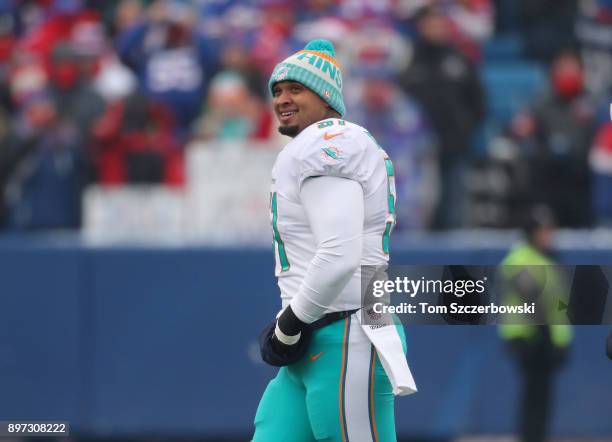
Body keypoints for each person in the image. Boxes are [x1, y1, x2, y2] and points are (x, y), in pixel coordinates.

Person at [254, 39, 416, 441]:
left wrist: (287, 325)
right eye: (277, 90)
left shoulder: (328, 143)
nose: (282, 99)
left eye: (295, 89)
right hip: (323, 333)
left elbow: (340, 255)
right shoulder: (320, 144)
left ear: (326, 97)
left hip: (347, 329)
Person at [397, 5, 485, 229]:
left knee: (454, 213)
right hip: (417, 154)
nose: (436, 28)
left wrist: (463, 129)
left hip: (453, 149)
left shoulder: (460, 60)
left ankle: (455, 265)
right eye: (430, 23)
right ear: (420, 27)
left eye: (440, 23)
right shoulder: (409, 62)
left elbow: (479, 103)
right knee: (419, 215)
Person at [498, 206, 572, 442]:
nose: (548, 235)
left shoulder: (547, 259)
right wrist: (548, 336)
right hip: (529, 338)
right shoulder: (520, 258)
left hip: (547, 338)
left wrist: (559, 340)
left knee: (543, 397)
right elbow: (533, 300)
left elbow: (558, 305)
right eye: (543, 231)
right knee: (534, 395)